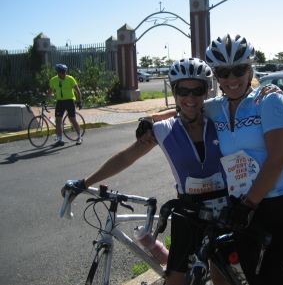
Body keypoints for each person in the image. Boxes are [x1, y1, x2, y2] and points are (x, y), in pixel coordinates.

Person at [153, 34, 283, 284]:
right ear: (215, 76)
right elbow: (186, 107)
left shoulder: (269, 100)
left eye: (239, 70)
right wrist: (148, 119)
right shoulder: (217, 107)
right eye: (223, 72)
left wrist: (248, 205)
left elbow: (278, 160)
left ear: (250, 69)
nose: (231, 79)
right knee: (254, 279)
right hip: (245, 209)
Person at [61, 58, 231, 285]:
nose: (190, 98)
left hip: (226, 212)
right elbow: (126, 156)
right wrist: (85, 182)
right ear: (173, 91)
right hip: (188, 214)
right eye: (183, 90)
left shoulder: (221, 119)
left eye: (197, 90)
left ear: (207, 91)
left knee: (223, 279)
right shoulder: (162, 130)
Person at [43, 64, 83, 146]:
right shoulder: (53, 80)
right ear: (58, 72)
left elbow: (77, 91)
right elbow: (50, 92)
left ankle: (79, 137)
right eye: (62, 72)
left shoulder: (70, 79)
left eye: (65, 72)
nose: (64, 74)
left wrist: (80, 101)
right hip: (60, 102)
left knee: (72, 119)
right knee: (58, 120)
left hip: (70, 101)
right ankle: (60, 140)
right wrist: (44, 100)